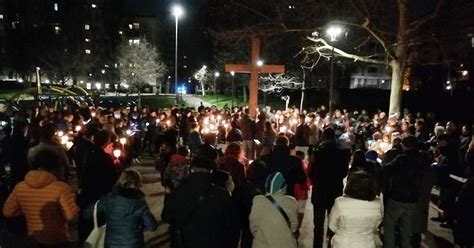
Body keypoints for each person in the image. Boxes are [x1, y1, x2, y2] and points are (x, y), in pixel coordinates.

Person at [3, 149, 79, 247]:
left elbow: (8, 211)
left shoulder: (20, 187)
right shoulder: (61, 188)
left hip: (34, 237)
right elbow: (70, 216)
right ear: (54, 167)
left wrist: (27, 209)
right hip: (57, 238)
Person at [161, 154, 239, 248]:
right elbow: (232, 225)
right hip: (214, 242)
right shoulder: (221, 194)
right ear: (211, 171)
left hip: (186, 242)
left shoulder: (179, 191)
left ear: (191, 170)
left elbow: (166, 216)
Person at [91, 169, 158, 248]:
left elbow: (89, 212)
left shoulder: (108, 199)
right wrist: (139, 225)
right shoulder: (139, 203)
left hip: (111, 245)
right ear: (137, 183)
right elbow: (152, 226)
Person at [309, 128, 350, 248]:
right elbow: (344, 172)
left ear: (323, 137)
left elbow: (311, 171)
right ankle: (331, 244)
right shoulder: (342, 153)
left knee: (318, 223)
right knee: (333, 222)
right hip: (334, 189)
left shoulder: (318, 152)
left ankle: (317, 245)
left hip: (320, 189)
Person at [383, 135, 425, 248]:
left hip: (398, 197)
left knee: (389, 225)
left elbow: (387, 169)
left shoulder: (402, 159)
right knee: (407, 227)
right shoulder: (422, 159)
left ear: (404, 145)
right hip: (412, 198)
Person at [78, 130, 118, 244]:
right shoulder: (104, 159)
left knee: (87, 224)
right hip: (99, 196)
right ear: (105, 144)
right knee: (97, 225)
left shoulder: (89, 153)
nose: (112, 147)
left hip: (87, 194)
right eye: (110, 144)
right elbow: (111, 181)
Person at [328, 171, 383, 248]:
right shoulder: (378, 203)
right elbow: (376, 225)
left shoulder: (340, 202)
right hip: (367, 244)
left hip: (342, 244)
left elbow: (332, 226)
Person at [249, 172, 298, 248]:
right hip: (285, 244)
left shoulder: (257, 200)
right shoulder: (291, 201)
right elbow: (294, 226)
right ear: (283, 186)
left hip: (261, 244)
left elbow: (253, 226)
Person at [453, 178, 474, 248]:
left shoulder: (467, 190)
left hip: (463, 218)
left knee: (460, 238)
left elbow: (459, 204)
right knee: (468, 240)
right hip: (469, 219)